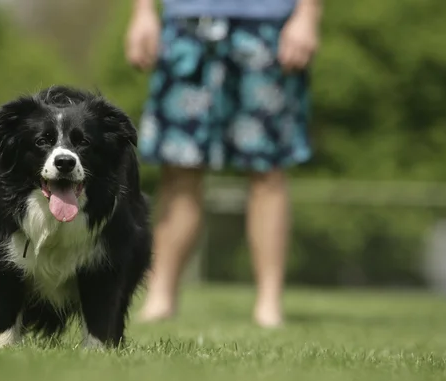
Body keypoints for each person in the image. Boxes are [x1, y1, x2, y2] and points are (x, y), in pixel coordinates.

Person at [125, 0, 321, 327]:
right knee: (178, 167)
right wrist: (142, 12)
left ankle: (269, 304)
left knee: (267, 169)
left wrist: (308, 14)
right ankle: (160, 297)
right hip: (188, 20)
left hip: (269, 23)